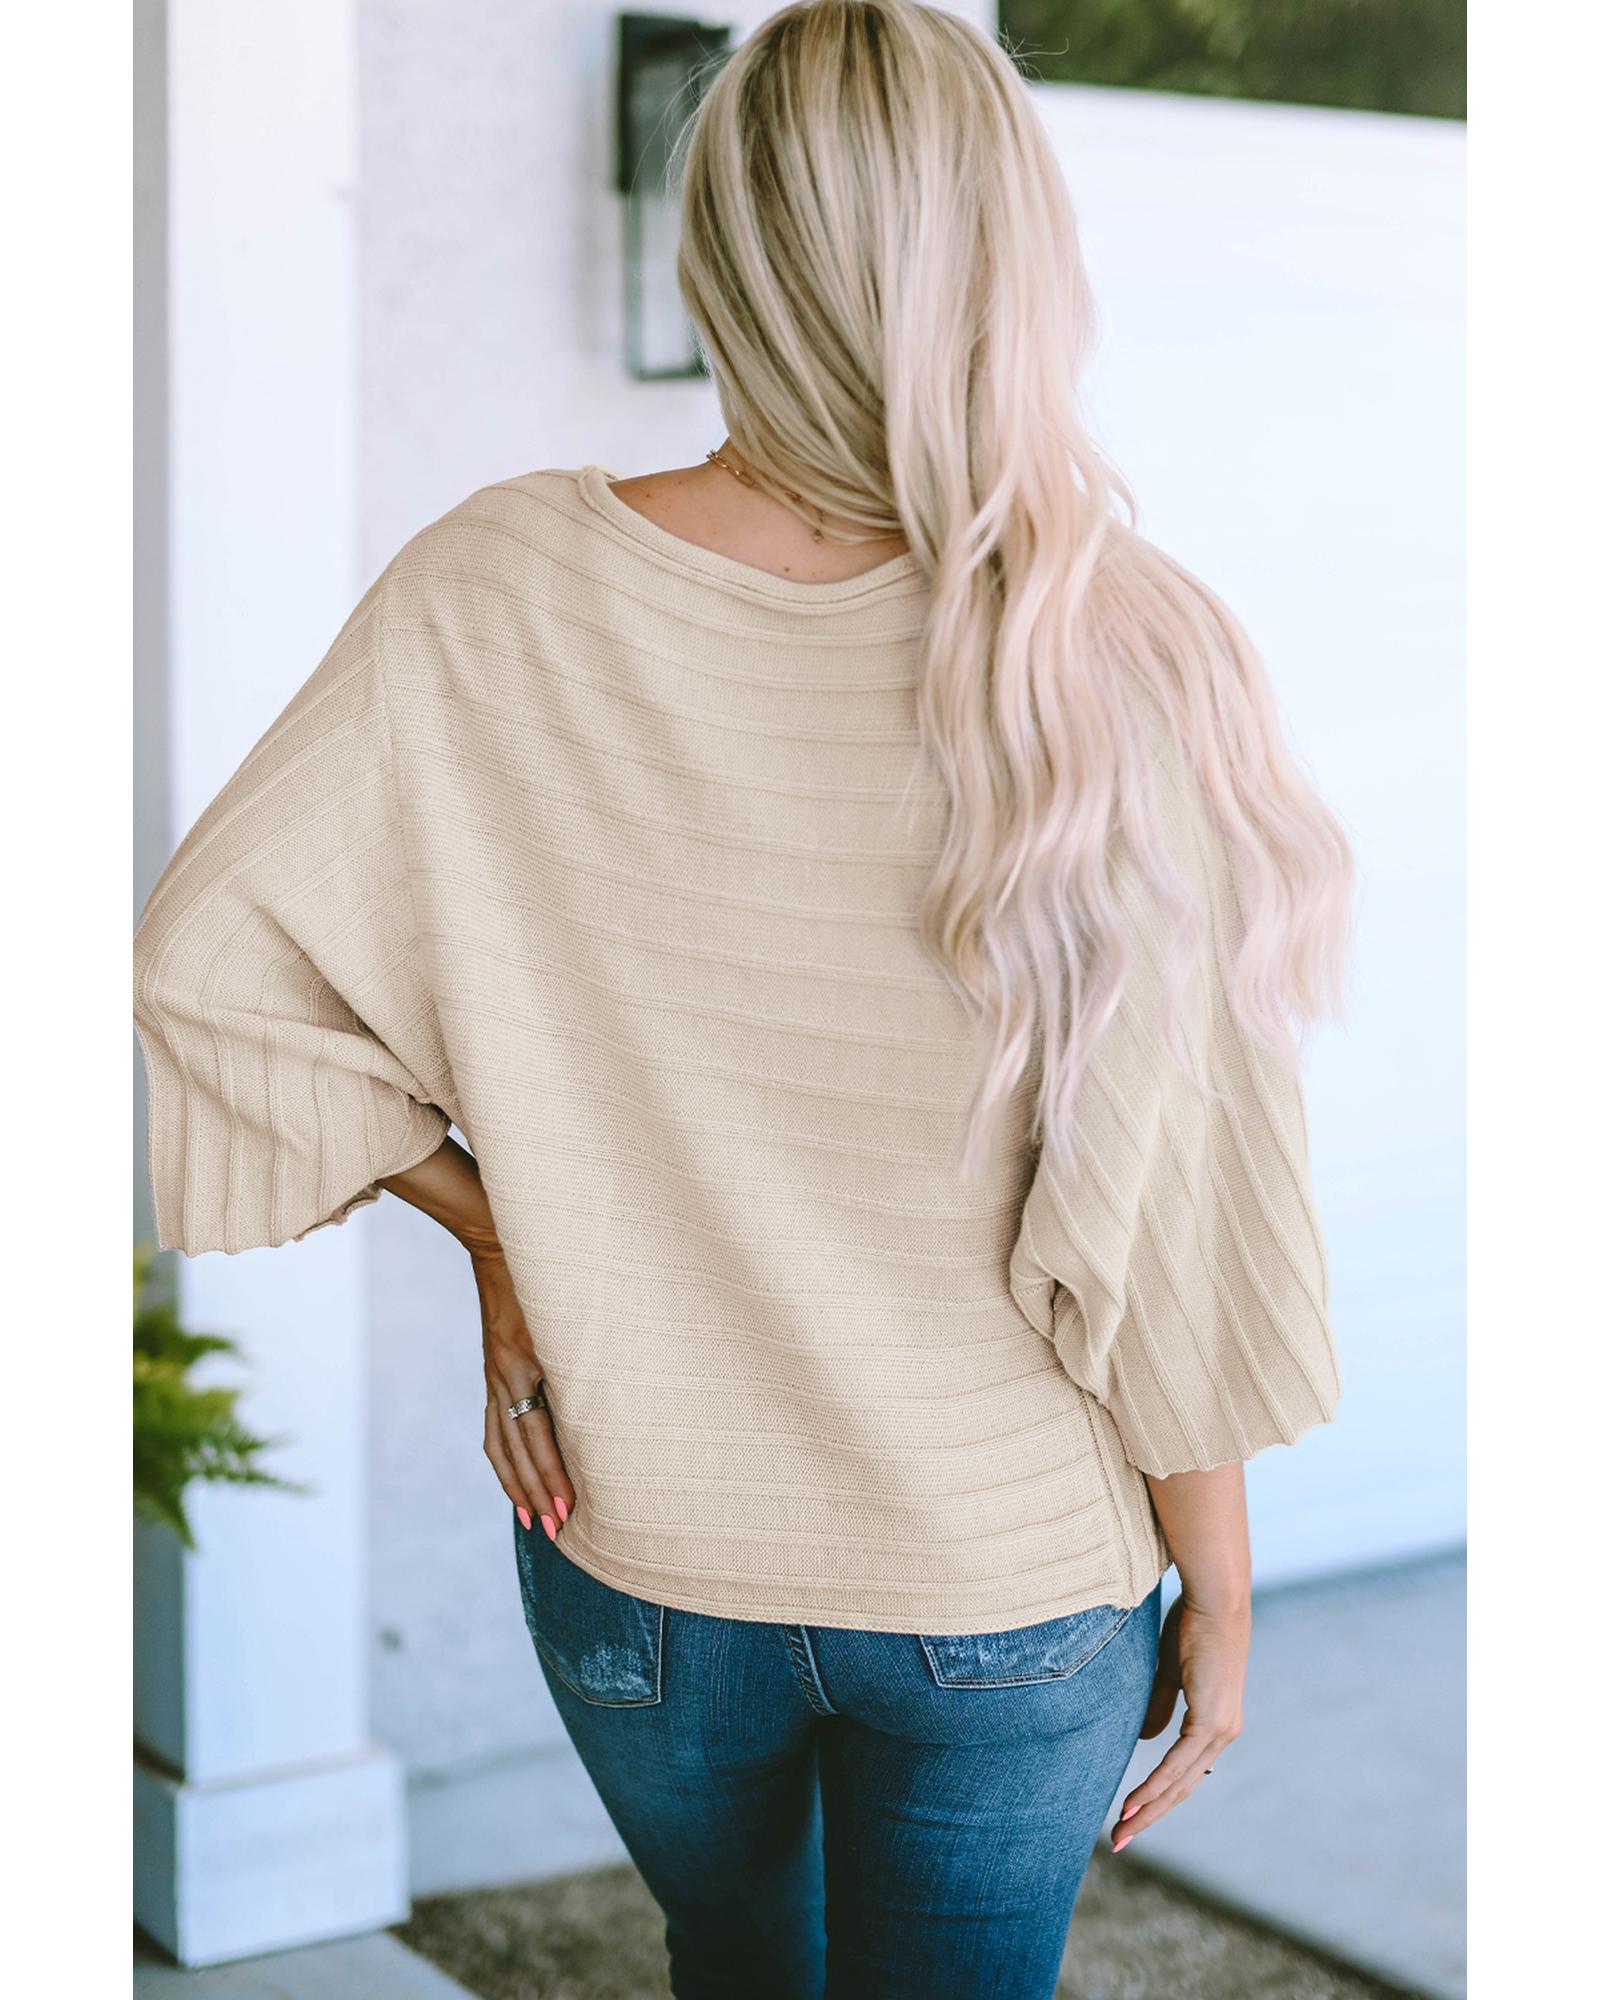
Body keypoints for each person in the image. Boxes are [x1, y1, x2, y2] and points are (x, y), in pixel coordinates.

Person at [131, 4, 1354, 1995]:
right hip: (999, 1578)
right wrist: (1214, 1580)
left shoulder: (494, 583)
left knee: (733, 1968)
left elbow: (207, 968)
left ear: (721, 249)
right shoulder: (1111, 643)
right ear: (1011, 257)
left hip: (635, 1556)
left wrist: (499, 1238)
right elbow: (1171, 1206)